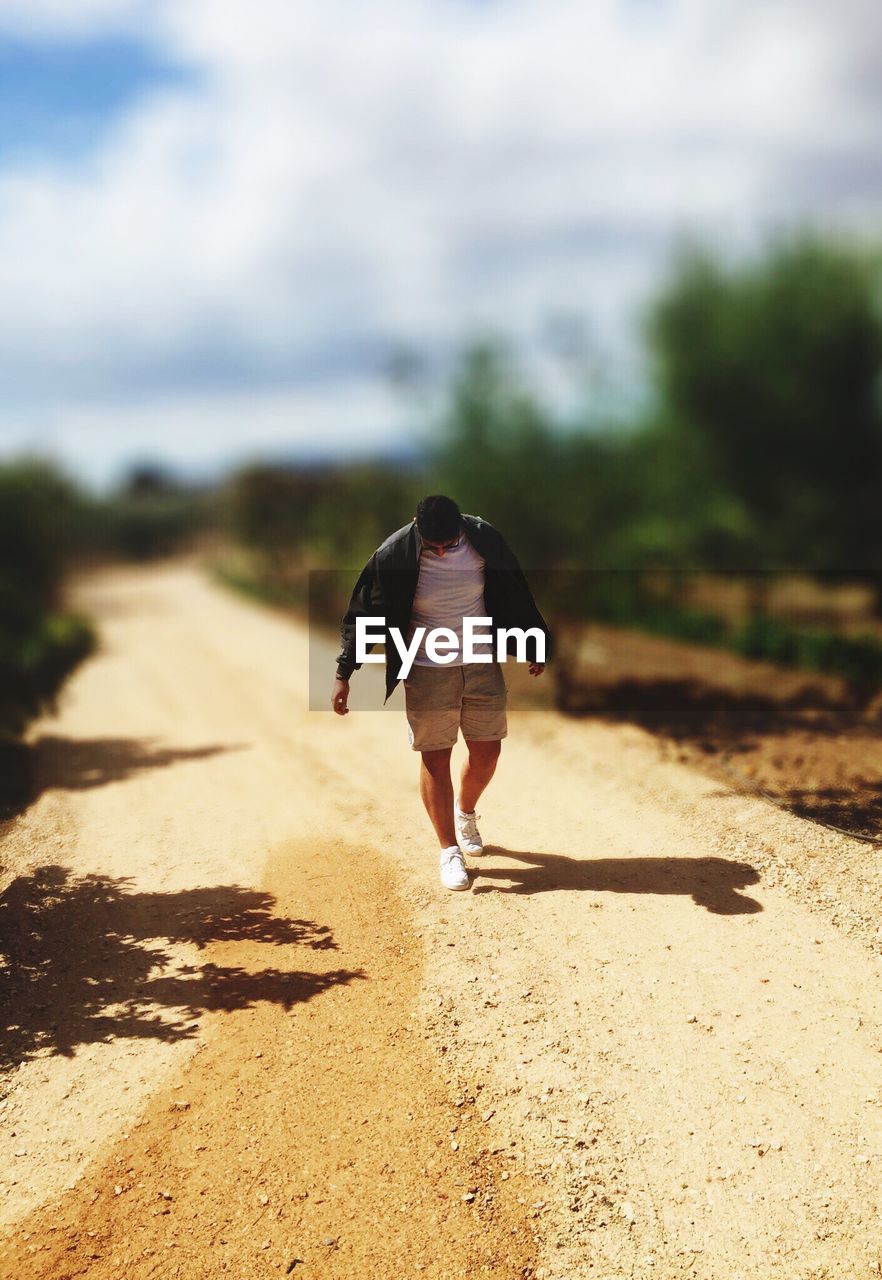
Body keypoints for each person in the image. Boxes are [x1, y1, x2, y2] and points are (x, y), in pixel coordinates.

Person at [331, 495, 550, 891]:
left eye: (449, 545)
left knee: (487, 754)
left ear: (460, 530)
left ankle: (465, 813)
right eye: (433, 547)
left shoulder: (484, 539)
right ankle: (448, 851)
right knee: (436, 758)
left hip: (481, 661)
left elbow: (515, 589)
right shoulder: (394, 552)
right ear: (417, 528)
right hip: (427, 667)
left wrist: (534, 644)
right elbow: (365, 612)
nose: (442, 552)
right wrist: (345, 671)